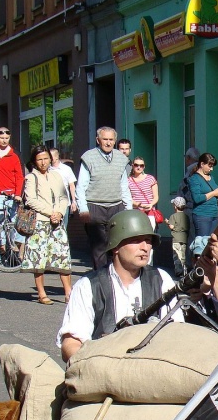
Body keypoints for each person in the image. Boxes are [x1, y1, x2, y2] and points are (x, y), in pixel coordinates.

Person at [57, 209, 183, 362]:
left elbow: (177, 334)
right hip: (103, 369)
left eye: (148, 240)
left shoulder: (161, 279)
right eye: (136, 240)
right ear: (116, 246)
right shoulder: (88, 286)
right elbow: (71, 345)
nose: (145, 247)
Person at [21, 145, 72, 305]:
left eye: (45, 158)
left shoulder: (56, 175)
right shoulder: (31, 178)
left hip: (57, 223)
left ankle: (68, 293)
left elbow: (64, 197)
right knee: (39, 259)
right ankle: (41, 293)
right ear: (34, 161)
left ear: (51, 159)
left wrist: (60, 213)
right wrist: (51, 213)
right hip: (40, 222)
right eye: (39, 159)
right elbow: (31, 200)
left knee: (63, 256)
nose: (43, 162)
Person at [76, 126, 133, 269]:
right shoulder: (89, 157)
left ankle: (115, 275)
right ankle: (101, 276)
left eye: (111, 139)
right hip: (95, 206)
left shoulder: (121, 158)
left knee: (116, 245)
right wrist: (83, 209)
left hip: (116, 206)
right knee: (99, 248)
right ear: (98, 140)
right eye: (105, 139)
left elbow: (124, 186)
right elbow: (81, 186)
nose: (108, 142)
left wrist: (129, 209)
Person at [0, 125, 24, 206]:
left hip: (11, 195)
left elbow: (19, 176)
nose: (4, 141)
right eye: (2, 138)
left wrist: (18, 194)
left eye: (7, 138)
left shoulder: (15, 155)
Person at [189, 152, 218, 238]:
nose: (211, 169)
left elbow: (212, 190)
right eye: (210, 166)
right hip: (202, 216)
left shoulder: (211, 177)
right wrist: (214, 193)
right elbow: (197, 198)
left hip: (214, 215)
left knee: (213, 242)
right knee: (203, 242)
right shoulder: (194, 178)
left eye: (212, 166)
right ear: (202, 164)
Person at [50, 148, 77, 227]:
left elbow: (72, 186)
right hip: (51, 204)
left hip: (64, 203)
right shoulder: (47, 170)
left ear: (56, 157)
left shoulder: (66, 169)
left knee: (63, 227)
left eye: (50, 157)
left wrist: (74, 201)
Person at [167, 196, 190, 277]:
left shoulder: (173, 216)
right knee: (183, 256)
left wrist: (167, 222)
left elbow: (171, 227)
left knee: (177, 256)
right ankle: (185, 270)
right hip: (184, 239)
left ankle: (179, 272)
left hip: (176, 239)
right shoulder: (186, 216)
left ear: (175, 206)